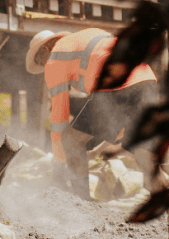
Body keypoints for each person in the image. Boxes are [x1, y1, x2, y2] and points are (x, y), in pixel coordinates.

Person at [26, 28, 160, 198]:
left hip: (113, 85)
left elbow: (59, 119)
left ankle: (81, 202)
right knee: (144, 154)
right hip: (146, 79)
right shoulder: (88, 35)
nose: (44, 66)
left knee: (71, 140)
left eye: (40, 61)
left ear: (45, 49)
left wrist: (58, 165)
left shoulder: (54, 59)